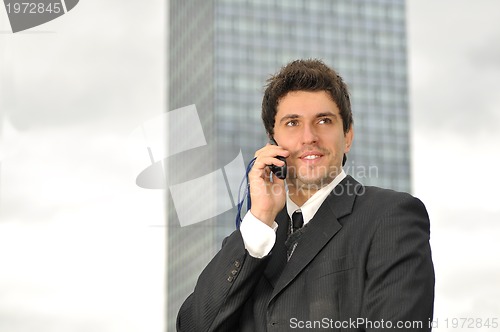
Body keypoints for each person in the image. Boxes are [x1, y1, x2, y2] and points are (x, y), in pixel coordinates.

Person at [176, 59, 434, 331]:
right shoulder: (253, 238)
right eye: (292, 123)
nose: (309, 136)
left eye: (324, 120)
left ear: (347, 136)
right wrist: (261, 218)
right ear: (273, 142)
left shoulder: (391, 217)